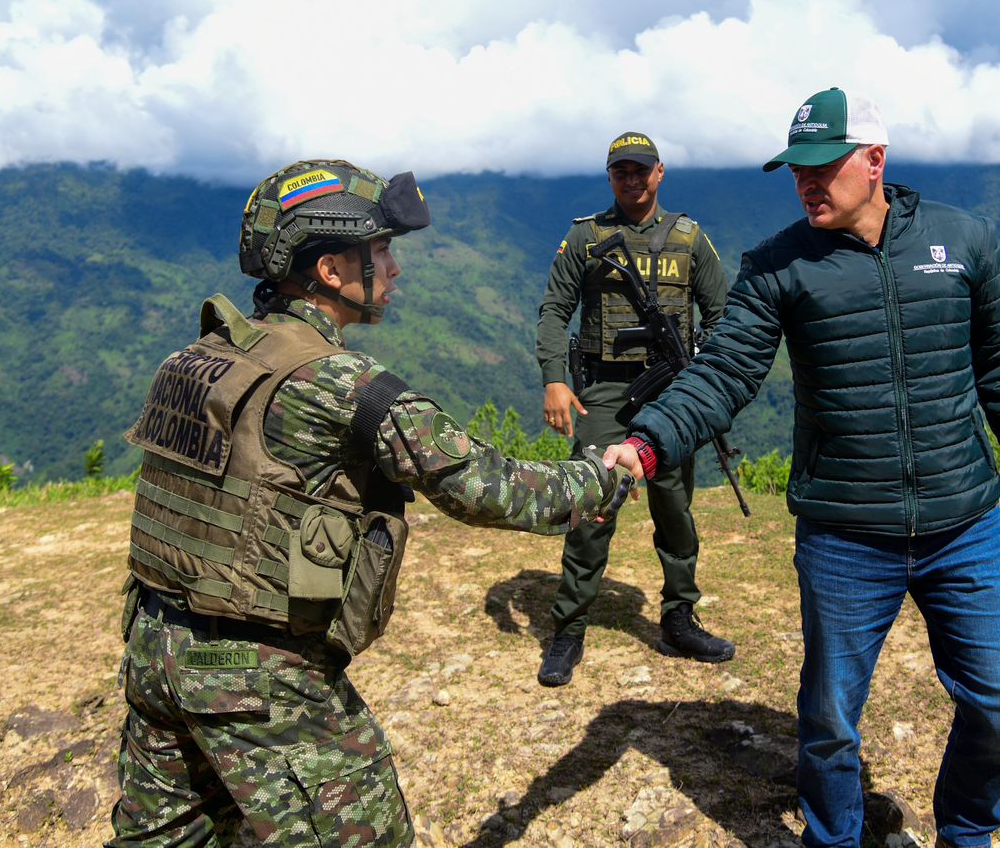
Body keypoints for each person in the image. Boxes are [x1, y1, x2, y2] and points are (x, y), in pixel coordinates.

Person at [110, 159, 631, 847]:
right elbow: (484, 487)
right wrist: (600, 476)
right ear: (331, 270)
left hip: (152, 649)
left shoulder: (198, 356)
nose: (393, 269)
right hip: (253, 677)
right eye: (381, 251)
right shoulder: (342, 384)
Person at [600, 89, 1000, 848]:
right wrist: (647, 443)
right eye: (796, 169)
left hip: (964, 523)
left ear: (875, 161)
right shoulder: (780, 264)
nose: (807, 182)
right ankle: (834, 839)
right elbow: (724, 371)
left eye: (824, 165)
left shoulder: (964, 239)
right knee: (830, 721)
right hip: (845, 532)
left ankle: (969, 834)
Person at [534, 131, 734, 687]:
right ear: (609, 176)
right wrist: (554, 379)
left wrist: (704, 384)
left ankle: (678, 618)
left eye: (641, 169)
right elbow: (555, 311)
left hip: (672, 391)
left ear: (660, 172)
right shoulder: (585, 237)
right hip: (603, 391)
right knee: (593, 507)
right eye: (621, 170)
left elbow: (722, 317)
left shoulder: (691, 239)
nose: (632, 179)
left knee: (674, 507)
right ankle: (569, 628)